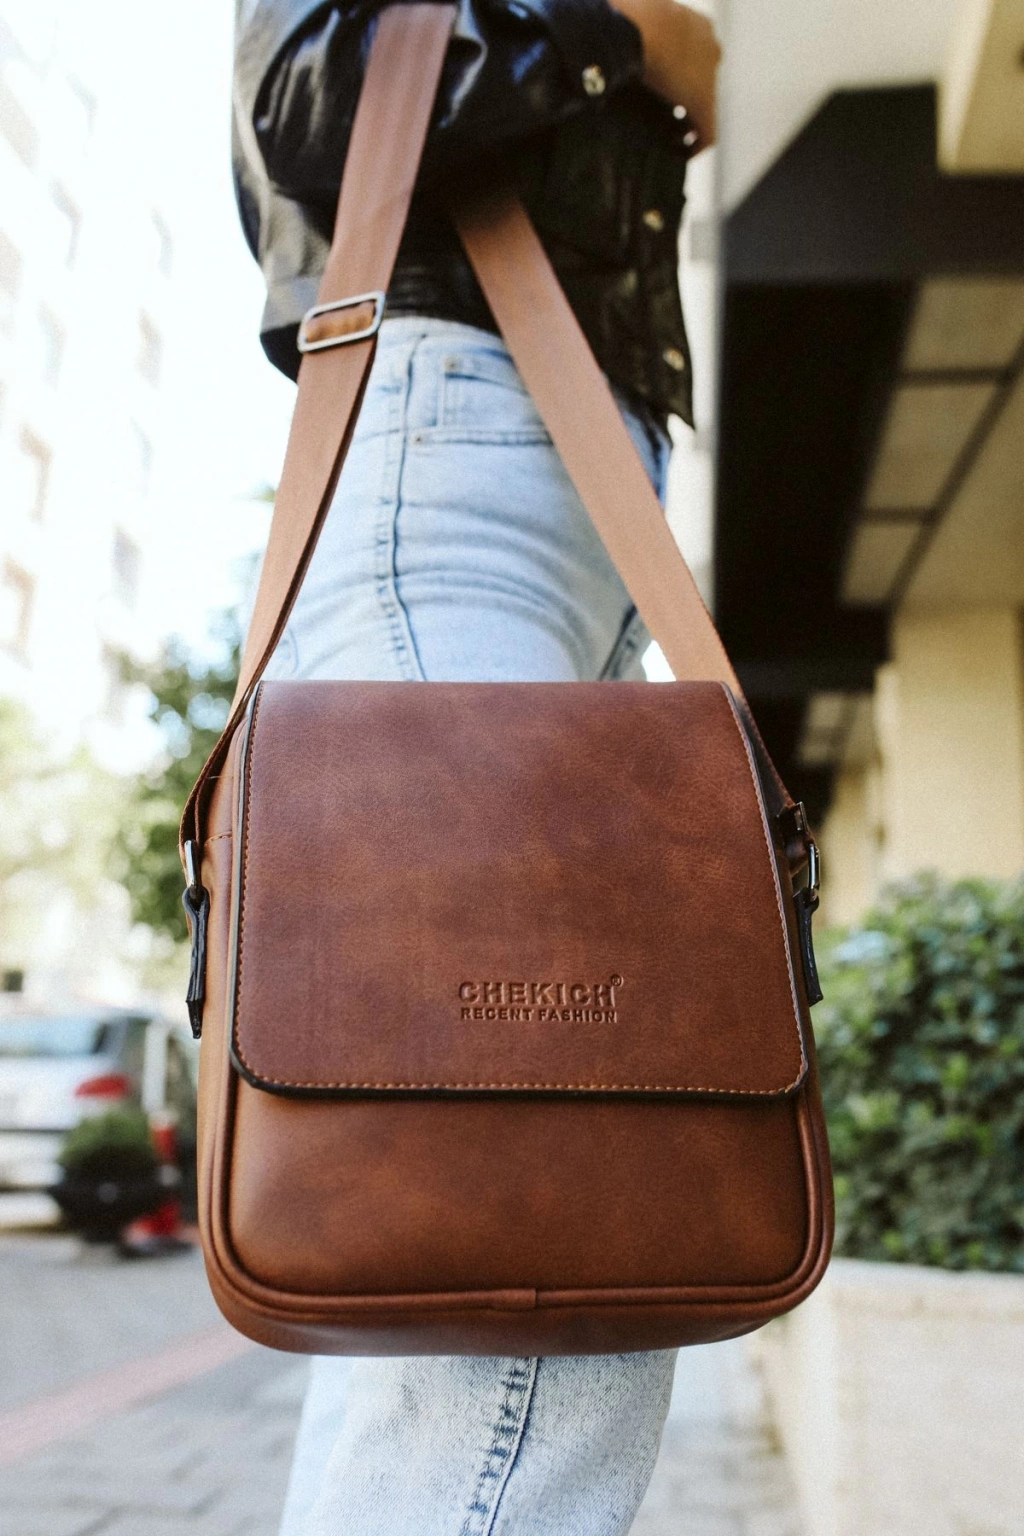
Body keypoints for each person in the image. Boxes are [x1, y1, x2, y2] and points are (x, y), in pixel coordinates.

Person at [231, 1, 721, 1530]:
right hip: (457, 446)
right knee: (556, 1229)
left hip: (567, 479)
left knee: (466, 1247)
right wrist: (631, 32)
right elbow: (313, 93)